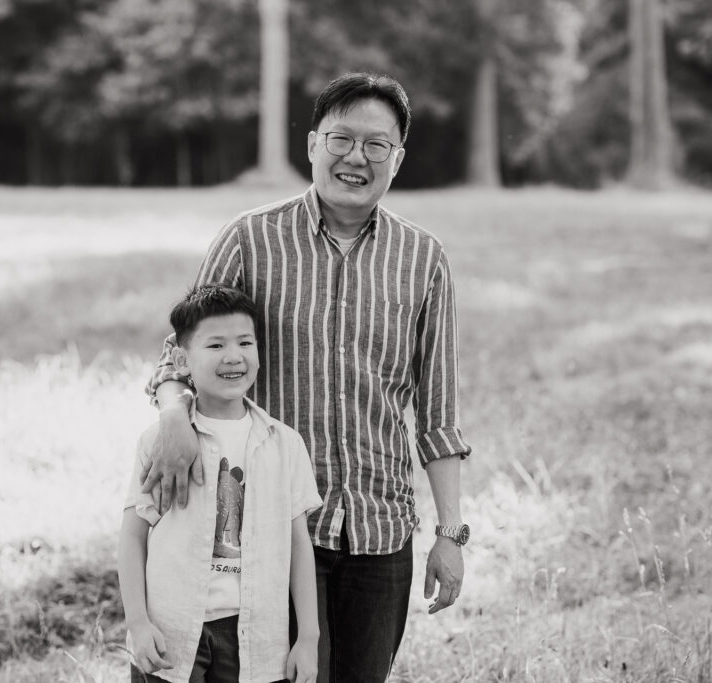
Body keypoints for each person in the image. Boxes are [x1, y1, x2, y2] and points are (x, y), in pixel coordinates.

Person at [144, 72, 472, 683]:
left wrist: (450, 534)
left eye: (377, 145)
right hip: (271, 525)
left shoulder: (424, 259)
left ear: (397, 160)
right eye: (341, 138)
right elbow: (181, 354)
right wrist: (172, 416)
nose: (356, 157)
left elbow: (438, 412)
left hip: (380, 527)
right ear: (313, 144)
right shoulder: (251, 239)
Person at [120, 284, 323, 683]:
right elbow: (132, 537)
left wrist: (309, 638)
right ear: (181, 358)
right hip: (173, 631)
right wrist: (138, 624)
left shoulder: (284, 444)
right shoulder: (160, 442)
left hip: (255, 636)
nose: (234, 357)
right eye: (215, 346)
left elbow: (299, 544)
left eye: (245, 342)